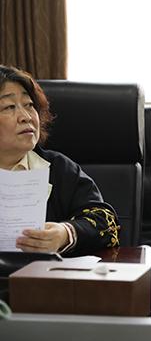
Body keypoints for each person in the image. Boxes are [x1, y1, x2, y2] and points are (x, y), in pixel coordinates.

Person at [0, 65, 119, 256]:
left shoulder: (58, 168)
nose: (26, 117)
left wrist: (65, 234)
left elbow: (107, 223)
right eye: (9, 107)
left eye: (29, 105)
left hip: (41, 273)